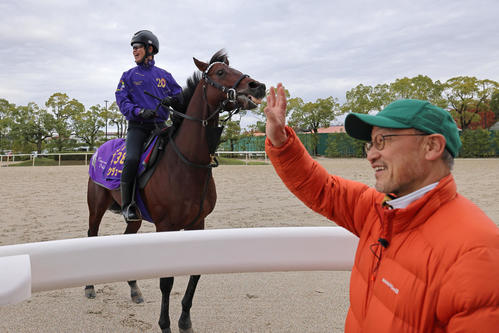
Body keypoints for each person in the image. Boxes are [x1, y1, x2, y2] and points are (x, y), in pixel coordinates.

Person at [264, 83, 499, 332]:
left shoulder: (476, 252)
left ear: (432, 146)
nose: (371, 155)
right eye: (370, 144)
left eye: (382, 141)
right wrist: (280, 141)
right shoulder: (379, 208)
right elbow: (322, 189)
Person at [115, 30, 183, 222]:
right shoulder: (127, 76)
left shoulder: (164, 75)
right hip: (138, 128)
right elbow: (121, 99)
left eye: (137, 47)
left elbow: (179, 95)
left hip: (160, 127)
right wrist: (138, 111)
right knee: (131, 159)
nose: (134, 51)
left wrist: (174, 99)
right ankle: (127, 205)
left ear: (149, 48)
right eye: (133, 48)